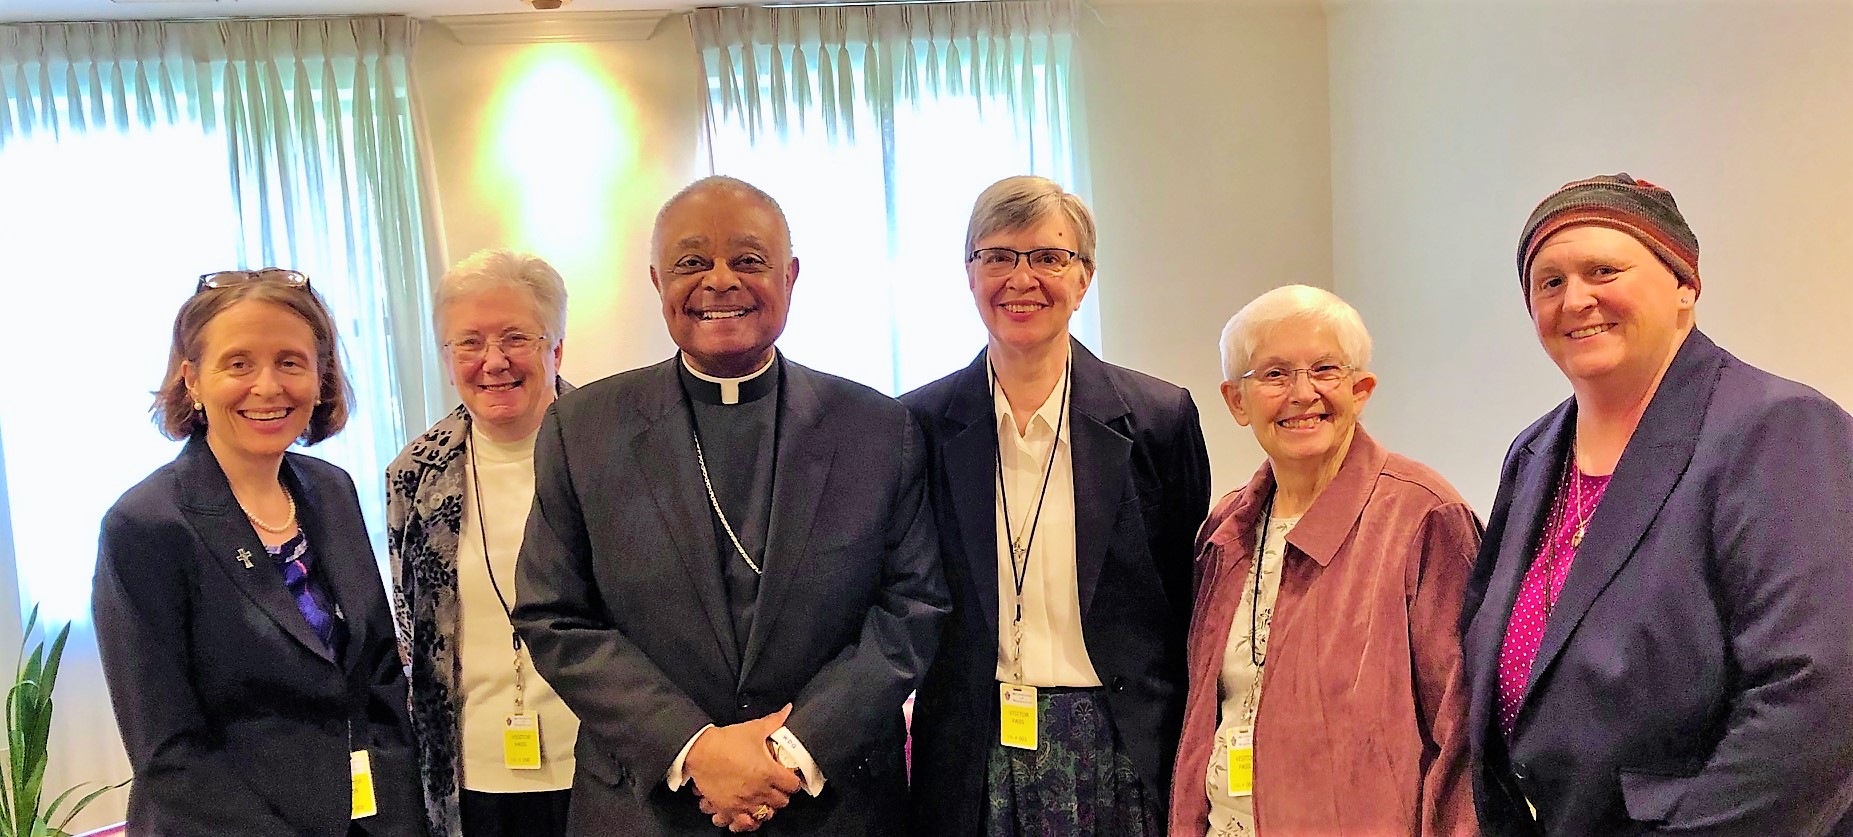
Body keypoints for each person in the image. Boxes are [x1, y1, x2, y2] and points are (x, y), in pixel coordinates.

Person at [511, 176, 949, 835]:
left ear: (790, 275)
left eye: (748, 260)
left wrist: (792, 749)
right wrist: (696, 747)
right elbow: (554, 614)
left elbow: (912, 608)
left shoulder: (877, 429)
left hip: (832, 805)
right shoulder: (583, 428)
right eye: (692, 262)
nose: (720, 280)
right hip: (645, 804)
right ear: (658, 281)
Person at [1461, 173, 1853, 834]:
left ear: (1684, 284)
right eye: (1548, 281)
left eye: (1602, 270)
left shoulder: (1775, 427)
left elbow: (1819, 695)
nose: (1575, 299)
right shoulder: (1531, 455)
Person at [902, 175, 1211, 836]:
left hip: (1120, 737)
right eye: (998, 256)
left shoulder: (1158, 418)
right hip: (974, 739)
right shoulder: (917, 423)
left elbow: (1189, 597)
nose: (1022, 278)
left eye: (1047, 256)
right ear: (969, 272)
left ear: (1084, 277)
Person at [95, 268, 423, 835]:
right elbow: (168, 752)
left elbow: (379, 679)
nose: (268, 387)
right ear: (192, 379)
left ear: (322, 377)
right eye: (239, 363)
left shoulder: (331, 489)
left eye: (290, 362)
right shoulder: (145, 524)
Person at [1169, 285, 1478, 836]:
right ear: (1236, 402)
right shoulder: (1225, 530)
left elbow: (1462, 735)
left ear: (1361, 389)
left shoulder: (1423, 516)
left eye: (1325, 369)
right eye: (1274, 374)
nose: (1302, 393)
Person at [387, 249, 579, 837]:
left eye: (515, 337)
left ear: (556, 349)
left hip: (603, 769)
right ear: (448, 360)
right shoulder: (415, 473)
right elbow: (409, 628)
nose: (493, 361)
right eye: (468, 342)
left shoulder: (618, 451)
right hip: (472, 779)